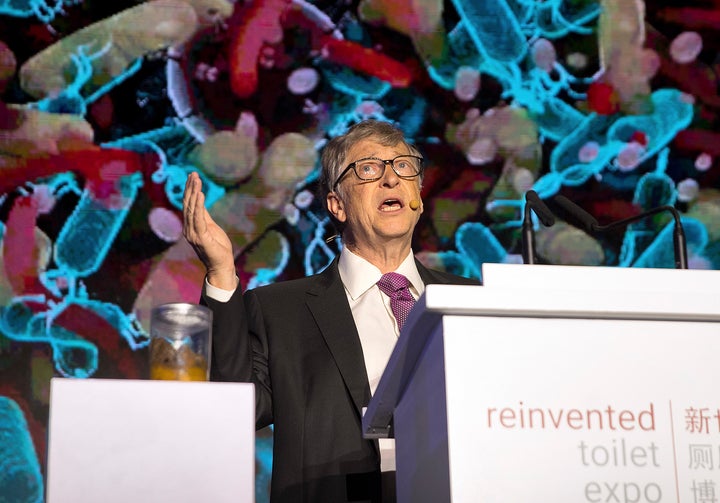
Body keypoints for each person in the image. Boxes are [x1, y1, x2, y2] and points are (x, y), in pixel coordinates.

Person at [182, 119, 479, 503]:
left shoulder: (473, 303)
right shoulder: (279, 311)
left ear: (418, 196)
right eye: (369, 169)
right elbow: (233, 408)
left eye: (403, 166)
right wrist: (221, 272)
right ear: (337, 204)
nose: (391, 179)